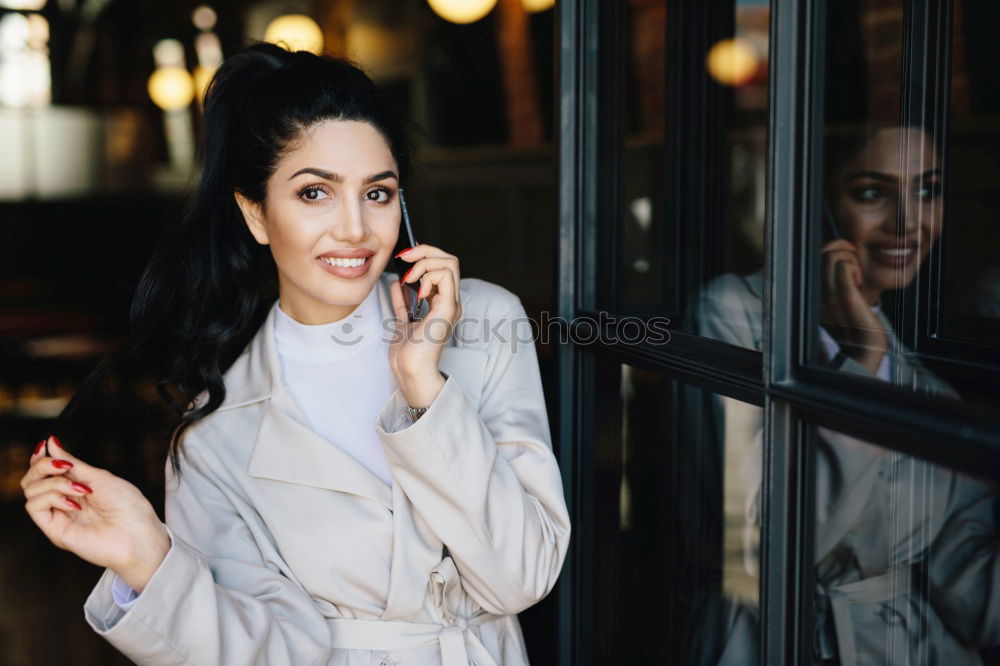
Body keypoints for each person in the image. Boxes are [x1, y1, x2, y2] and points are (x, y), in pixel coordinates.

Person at [19, 42, 571, 666]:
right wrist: (147, 557)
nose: (355, 229)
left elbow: (523, 577)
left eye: (378, 193)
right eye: (315, 194)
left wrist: (425, 387)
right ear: (255, 213)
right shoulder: (215, 427)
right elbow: (261, 653)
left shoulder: (483, 322)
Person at [683, 124, 1000, 664]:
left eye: (927, 190)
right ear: (819, 201)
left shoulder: (929, 382)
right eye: (872, 193)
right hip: (769, 638)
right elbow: (771, 541)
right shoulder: (733, 313)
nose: (907, 222)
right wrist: (860, 359)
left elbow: (976, 595)